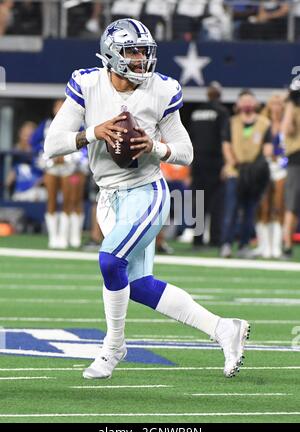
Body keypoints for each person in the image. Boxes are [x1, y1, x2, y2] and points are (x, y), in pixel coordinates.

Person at [44, 18, 250, 380]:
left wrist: (155, 146)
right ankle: (223, 328)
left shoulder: (162, 90)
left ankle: (113, 346)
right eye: (132, 51)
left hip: (147, 190)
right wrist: (93, 132)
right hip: (108, 197)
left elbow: (185, 152)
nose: (140, 59)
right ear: (112, 54)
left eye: (144, 51)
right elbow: (52, 144)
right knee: (137, 285)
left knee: (109, 262)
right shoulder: (87, 83)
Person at [221, 90, 273, 258]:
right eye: (244, 100)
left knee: (250, 211)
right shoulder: (232, 122)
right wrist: (233, 162)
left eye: (250, 100)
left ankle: (244, 245)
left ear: (256, 104)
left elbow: (267, 148)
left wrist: (257, 167)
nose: (247, 104)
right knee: (231, 209)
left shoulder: (264, 123)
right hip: (235, 171)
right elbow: (226, 145)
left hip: (254, 173)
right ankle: (226, 244)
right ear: (238, 104)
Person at [32, 99, 87, 249]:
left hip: (71, 168)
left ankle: (67, 236)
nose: (60, 108)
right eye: (57, 106)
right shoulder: (46, 125)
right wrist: (49, 157)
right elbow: (36, 144)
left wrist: (69, 158)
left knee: (71, 200)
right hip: (51, 167)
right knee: (51, 200)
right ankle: (53, 237)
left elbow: (85, 145)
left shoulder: (78, 124)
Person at [189, 81, 229, 248]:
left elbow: (190, 137)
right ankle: (215, 239)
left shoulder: (196, 112)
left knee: (198, 200)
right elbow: (225, 138)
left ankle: (197, 239)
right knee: (216, 201)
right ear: (219, 95)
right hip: (215, 161)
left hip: (197, 160)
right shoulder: (222, 112)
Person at [254, 94, 287, 259]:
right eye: (274, 103)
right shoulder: (262, 123)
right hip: (264, 167)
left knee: (279, 206)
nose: (276, 107)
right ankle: (264, 246)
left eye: (280, 104)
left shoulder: (289, 122)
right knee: (263, 206)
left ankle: (276, 247)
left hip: (283, 167)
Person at [281, 81, 300, 259]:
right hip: (297, 159)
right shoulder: (293, 107)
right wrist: (290, 104)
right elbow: (287, 129)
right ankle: (286, 244)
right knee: (292, 203)